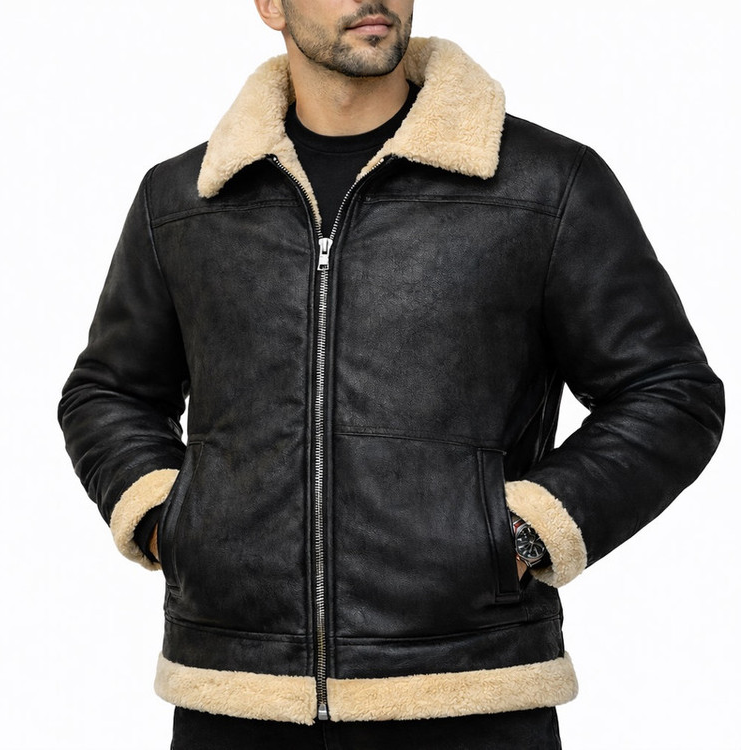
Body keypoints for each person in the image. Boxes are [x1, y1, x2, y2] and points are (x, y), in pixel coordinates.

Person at [58, 1, 725, 748]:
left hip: (469, 692)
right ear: (271, 5)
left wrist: (523, 533)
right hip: (237, 692)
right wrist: (169, 523)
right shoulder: (185, 198)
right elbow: (108, 392)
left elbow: (670, 393)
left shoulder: (544, 184)